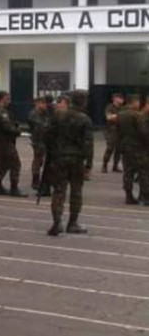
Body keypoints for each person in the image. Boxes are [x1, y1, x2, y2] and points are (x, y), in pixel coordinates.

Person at [45, 92, 93, 236]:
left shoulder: (57, 116)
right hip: (77, 159)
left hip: (59, 157)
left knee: (59, 190)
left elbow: (47, 135)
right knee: (76, 191)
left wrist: (52, 152)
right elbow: (88, 144)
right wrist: (89, 164)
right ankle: (72, 223)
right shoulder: (85, 119)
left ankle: (57, 222)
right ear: (84, 103)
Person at [0, 91, 25, 197]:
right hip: (4, 142)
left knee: (0, 164)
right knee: (15, 164)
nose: (9, 101)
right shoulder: (1, 112)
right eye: (7, 98)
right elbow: (7, 127)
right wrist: (18, 131)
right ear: (1, 99)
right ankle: (14, 188)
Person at [117, 94, 149, 205]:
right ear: (134, 102)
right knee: (144, 172)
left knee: (128, 172)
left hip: (126, 147)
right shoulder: (137, 116)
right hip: (139, 148)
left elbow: (118, 132)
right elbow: (144, 132)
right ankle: (145, 197)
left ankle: (129, 196)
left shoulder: (120, 115)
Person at [27, 96, 52, 195]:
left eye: (45, 103)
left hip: (45, 139)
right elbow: (41, 124)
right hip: (38, 140)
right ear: (36, 103)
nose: (44, 105)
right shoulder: (33, 114)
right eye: (42, 103)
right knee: (38, 160)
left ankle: (41, 180)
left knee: (41, 160)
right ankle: (35, 180)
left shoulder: (45, 113)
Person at [102, 93, 124, 173]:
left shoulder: (122, 108)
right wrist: (118, 116)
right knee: (110, 148)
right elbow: (108, 117)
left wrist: (115, 116)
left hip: (119, 130)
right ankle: (104, 165)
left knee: (119, 149)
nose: (121, 100)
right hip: (110, 130)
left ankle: (115, 166)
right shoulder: (110, 107)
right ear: (115, 99)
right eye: (119, 98)